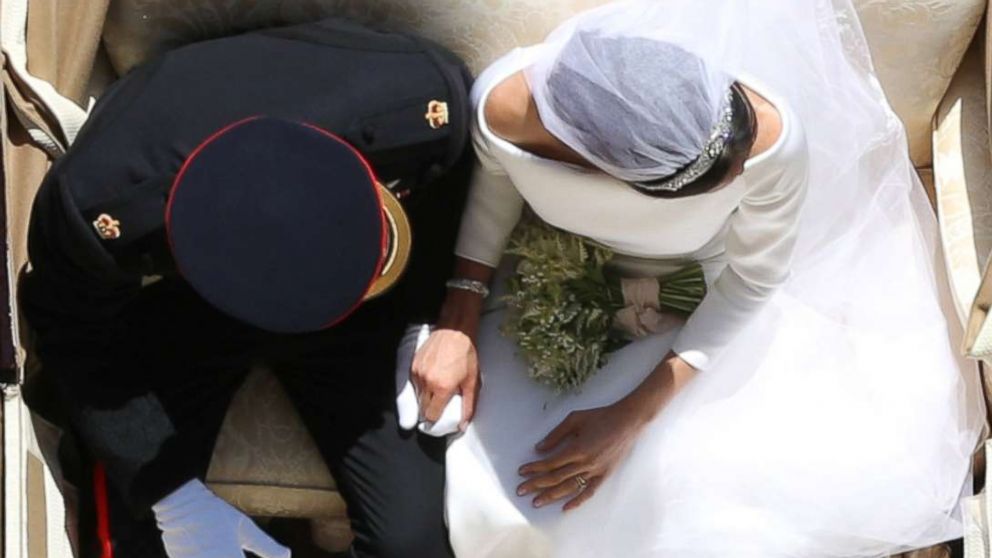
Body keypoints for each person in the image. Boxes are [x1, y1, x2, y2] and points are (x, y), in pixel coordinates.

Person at [411, 1, 986, 556]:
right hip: (556, 272)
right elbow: (496, 192)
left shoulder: (766, 134)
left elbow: (755, 278)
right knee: (511, 498)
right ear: (608, 171)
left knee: (692, 505)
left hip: (709, 306)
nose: (744, 168)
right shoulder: (502, 107)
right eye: (721, 180)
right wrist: (457, 317)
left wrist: (631, 416)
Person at [20, 17, 472, 558]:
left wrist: (441, 319)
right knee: (134, 535)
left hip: (368, 316)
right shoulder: (95, 207)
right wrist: (173, 497)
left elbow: (454, 187)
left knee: (413, 545)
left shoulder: (415, 107)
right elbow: (73, 332)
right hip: (183, 315)